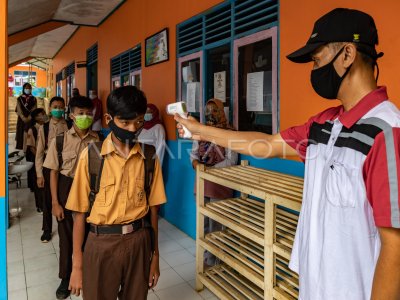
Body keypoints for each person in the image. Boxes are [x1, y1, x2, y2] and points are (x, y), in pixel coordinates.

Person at [176, 8, 400, 300]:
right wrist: (200, 131)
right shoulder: (324, 124)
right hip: (315, 285)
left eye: (317, 60)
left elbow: (394, 247)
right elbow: (266, 144)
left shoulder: (386, 131)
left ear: (347, 54)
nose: (314, 70)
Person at [67, 86, 167, 299]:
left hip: (139, 242)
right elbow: (78, 213)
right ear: (108, 118)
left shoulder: (149, 157)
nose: (132, 129)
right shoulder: (91, 156)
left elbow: (154, 211)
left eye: (139, 122)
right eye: (125, 122)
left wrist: (155, 257)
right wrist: (77, 265)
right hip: (101, 244)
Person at [43, 96, 98, 300]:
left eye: (89, 113)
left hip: (91, 191)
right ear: (72, 115)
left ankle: (87, 273)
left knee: (91, 236)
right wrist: (55, 203)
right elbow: (53, 173)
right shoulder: (60, 140)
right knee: (66, 238)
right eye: (81, 113)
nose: (85, 117)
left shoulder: (98, 140)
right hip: (66, 189)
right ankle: (66, 278)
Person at [190, 99, 238, 267]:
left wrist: (209, 169)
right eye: (208, 111)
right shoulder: (202, 131)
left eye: (214, 111)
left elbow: (231, 160)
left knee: (216, 226)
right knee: (203, 225)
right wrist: (196, 164)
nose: (210, 114)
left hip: (220, 185)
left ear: (221, 112)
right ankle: (206, 260)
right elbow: (194, 153)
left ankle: (215, 263)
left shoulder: (231, 133)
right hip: (202, 184)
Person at [36, 96, 68, 243]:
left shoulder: (69, 124)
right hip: (49, 167)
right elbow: (39, 152)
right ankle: (47, 230)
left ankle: (65, 227)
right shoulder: (44, 127)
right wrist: (39, 174)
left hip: (65, 167)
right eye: (55, 107)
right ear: (50, 109)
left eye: (61, 107)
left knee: (64, 197)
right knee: (48, 200)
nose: (58, 110)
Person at [25, 108, 48, 213]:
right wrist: (40, 158)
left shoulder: (46, 127)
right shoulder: (33, 129)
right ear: (35, 118)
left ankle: (46, 204)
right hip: (37, 159)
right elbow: (32, 147)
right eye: (40, 115)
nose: (43, 116)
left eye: (44, 114)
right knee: (39, 184)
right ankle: (40, 205)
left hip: (46, 159)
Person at [15, 82, 37, 150]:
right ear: (23, 89)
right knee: (21, 133)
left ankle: (29, 149)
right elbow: (18, 109)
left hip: (31, 120)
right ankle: (22, 148)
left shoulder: (34, 99)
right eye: (26, 88)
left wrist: (29, 117)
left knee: (30, 133)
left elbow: (34, 109)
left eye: (29, 88)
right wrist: (23, 118)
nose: (28, 89)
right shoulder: (19, 99)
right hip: (21, 120)